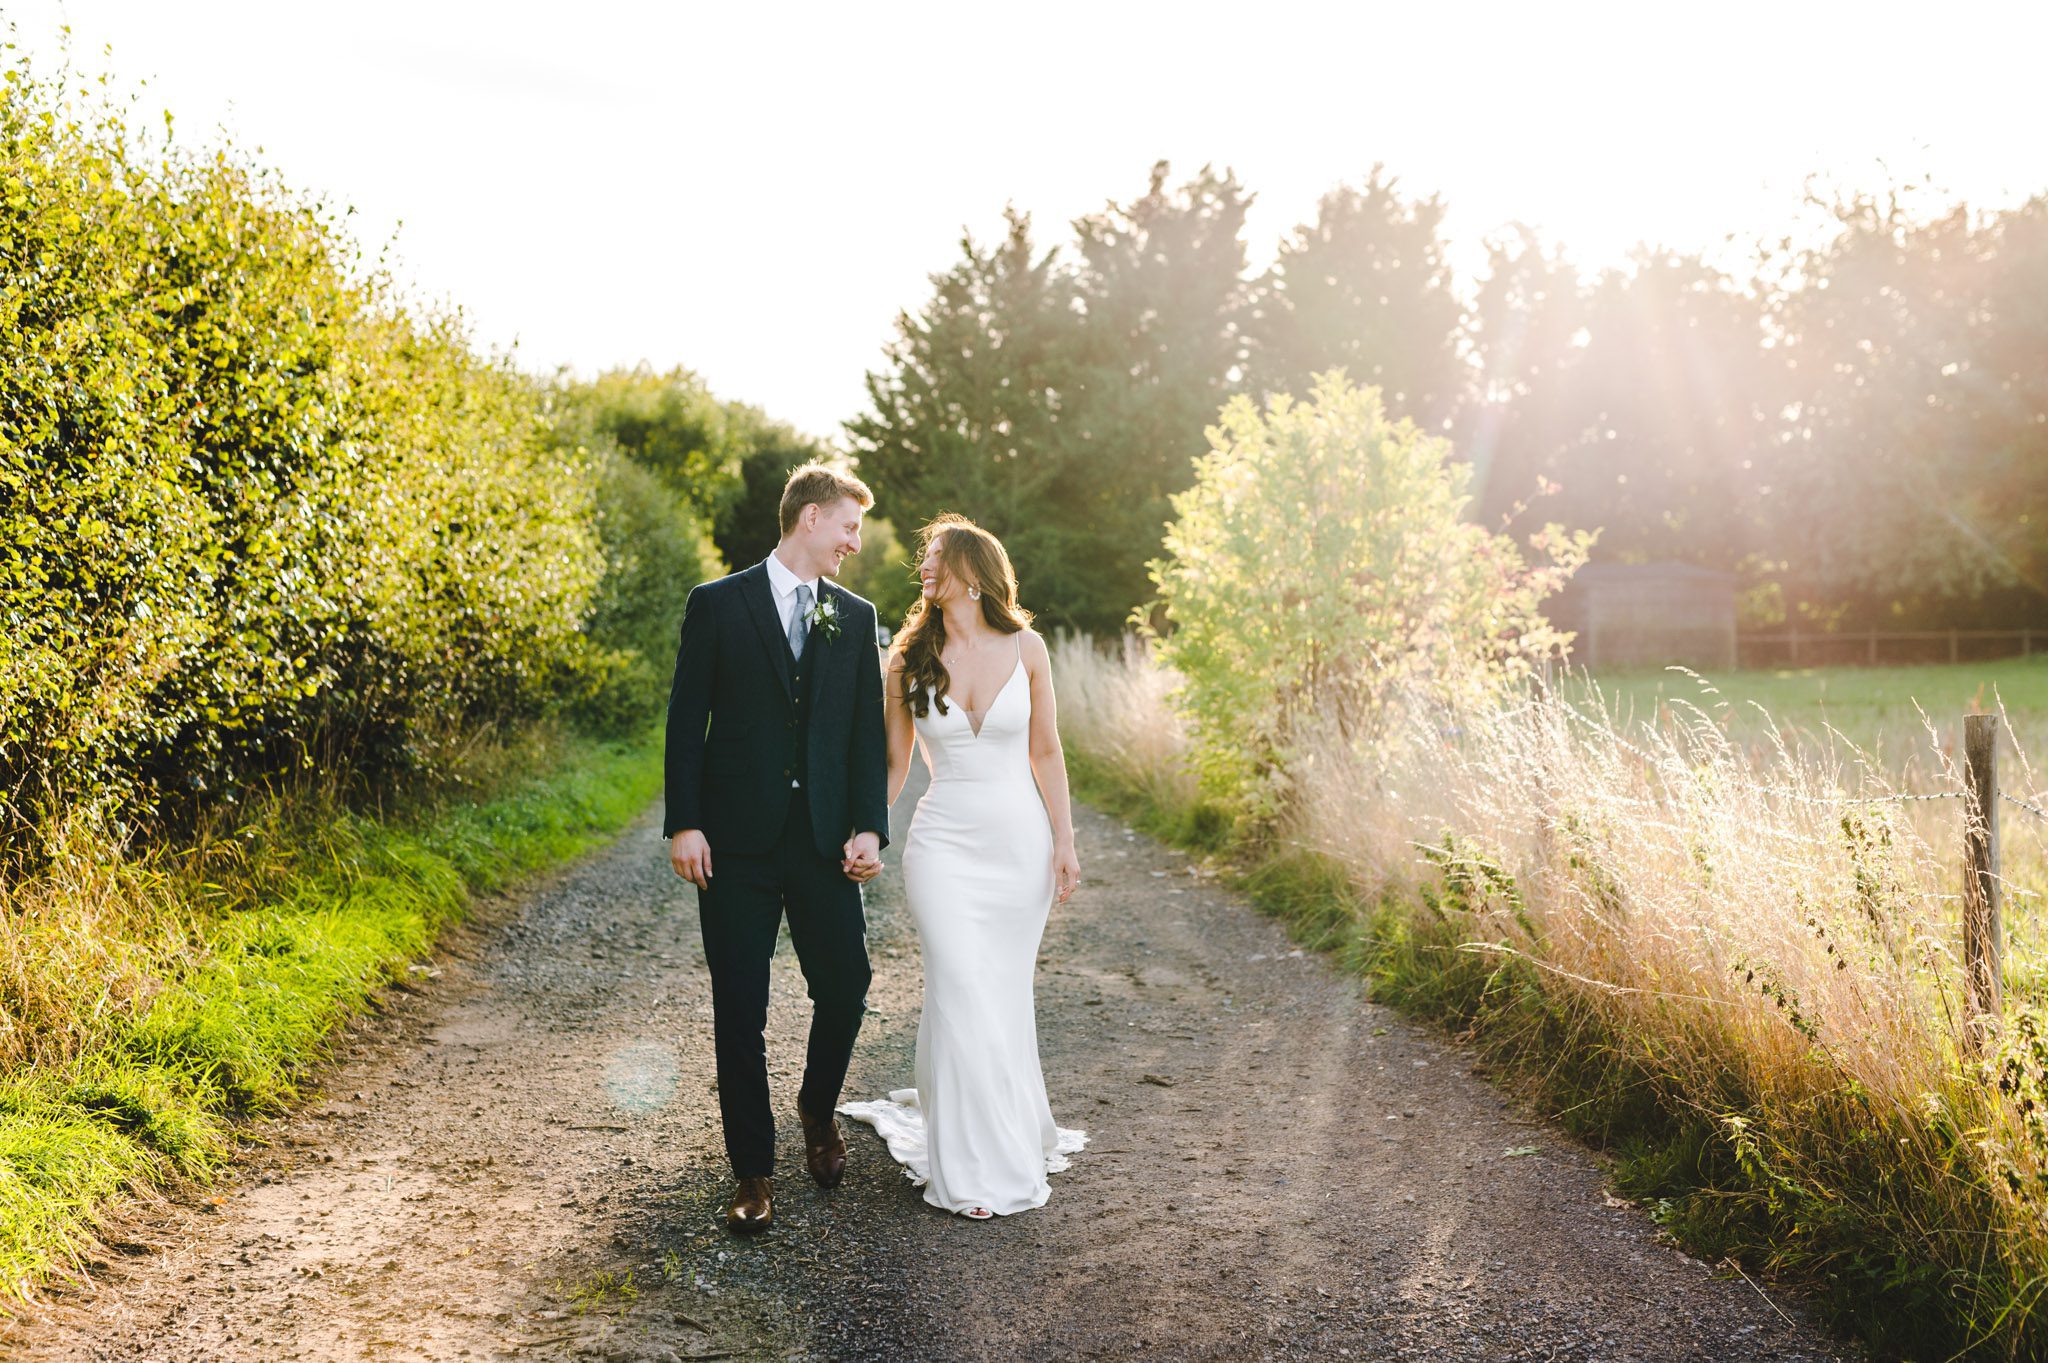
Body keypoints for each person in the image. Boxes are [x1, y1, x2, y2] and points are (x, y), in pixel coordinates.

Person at [839, 514, 1086, 1219]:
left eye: (937, 558)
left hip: (1018, 849)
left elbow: (1047, 753)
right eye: (924, 558)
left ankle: (1002, 1134)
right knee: (958, 986)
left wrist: (1064, 840)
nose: (925, 567)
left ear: (973, 573)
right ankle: (968, 1166)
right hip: (942, 846)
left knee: (999, 996)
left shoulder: (1028, 647)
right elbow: (895, 763)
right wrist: (868, 830)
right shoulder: (907, 656)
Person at [664, 463, 889, 1234]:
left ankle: (817, 1108)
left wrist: (869, 826)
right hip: (734, 845)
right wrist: (683, 822)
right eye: (849, 527)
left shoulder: (855, 618)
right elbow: (685, 718)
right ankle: (752, 1172)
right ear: (811, 518)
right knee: (740, 1007)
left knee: (848, 982)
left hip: (826, 842)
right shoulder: (717, 605)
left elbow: (865, 735)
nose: (854, 544)